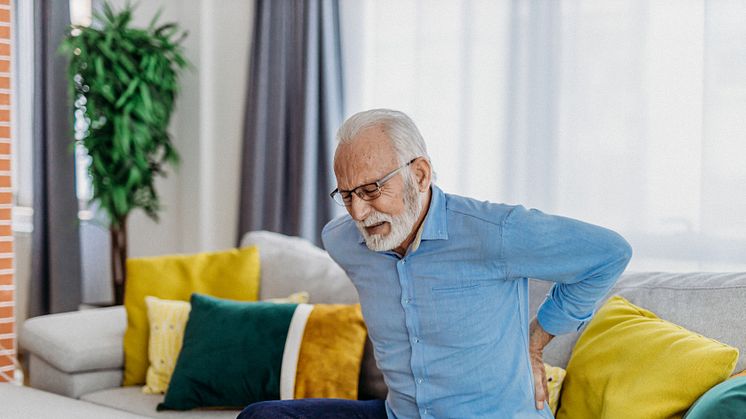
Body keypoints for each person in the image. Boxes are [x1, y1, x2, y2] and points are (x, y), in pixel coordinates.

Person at [239, 109, 632, 418]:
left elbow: (609, 253)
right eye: (346, 195)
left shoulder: (495, 231)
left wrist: (536, 341)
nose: (359, 211)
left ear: (420, 174)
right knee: (263, 416)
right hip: (400, 414)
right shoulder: (342, 241)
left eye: (372, 190)